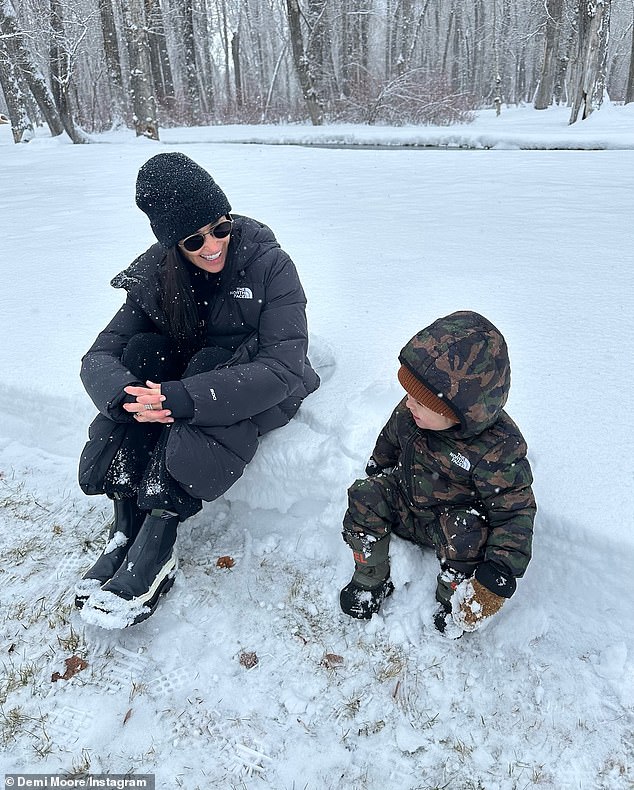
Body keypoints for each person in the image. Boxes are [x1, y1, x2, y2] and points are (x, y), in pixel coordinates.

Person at [75, 152, 320, 629]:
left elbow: (283, 367)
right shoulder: (157, 273)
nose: (212, 245)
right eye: (194, 239)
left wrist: (183, 398)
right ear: (172, 243)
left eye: (220, 228)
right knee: (142, 354)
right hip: (184, 385)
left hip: (255, 385)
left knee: (206, 364)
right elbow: (98, 357)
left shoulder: (270, 265)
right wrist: (133, 397)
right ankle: (125, 527)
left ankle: (158, 537)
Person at [339, 311, 536, 638]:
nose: (409, 404)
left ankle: (453, 599)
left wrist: (498, 574)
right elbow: (390, 439)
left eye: (420, 401)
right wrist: (379, 468)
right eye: (409, 395)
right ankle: (371, 575)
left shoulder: (497, 449)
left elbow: (515, 511)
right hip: (405, 504)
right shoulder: (412, 412)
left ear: (456, 411)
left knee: (466, 529)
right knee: (365, 494)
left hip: (451, 528)